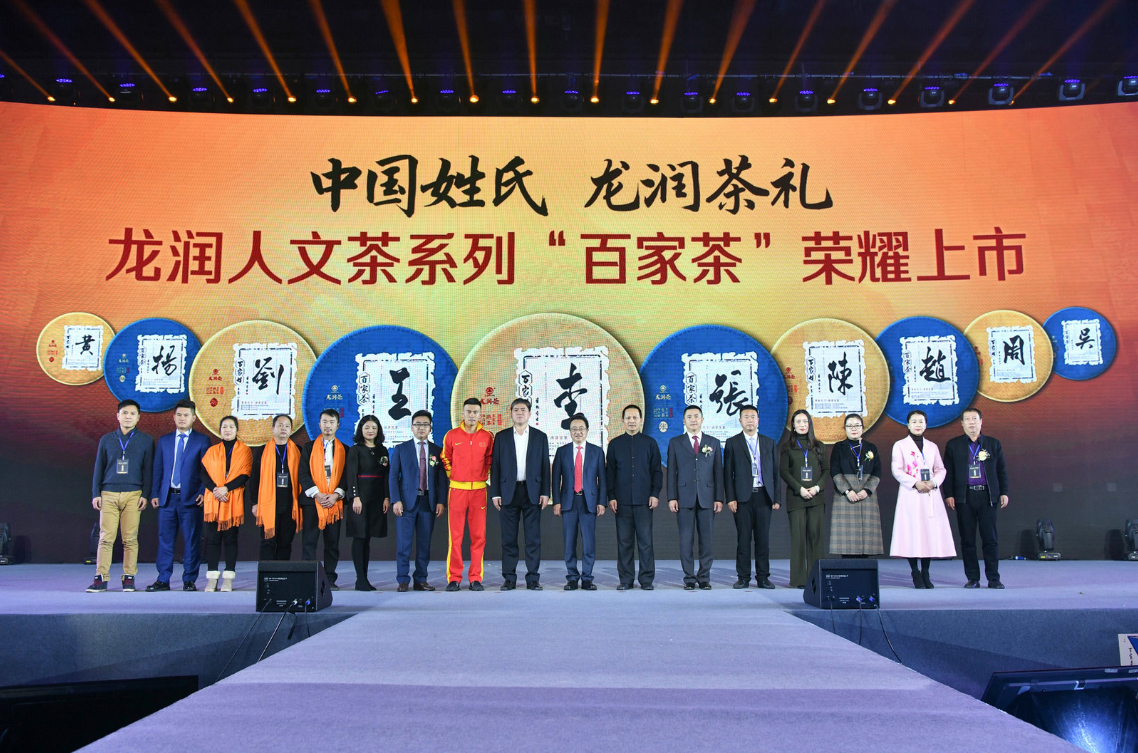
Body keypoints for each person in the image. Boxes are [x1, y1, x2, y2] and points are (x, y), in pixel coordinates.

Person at [88, 399, 154, 592]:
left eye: (132, 414)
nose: (128, 417)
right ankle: (100, 578)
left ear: (138, 417)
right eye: (124, 413)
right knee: (105, 538)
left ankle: (129, 577)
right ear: (117, 416)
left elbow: (148, 470)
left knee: (130, 539)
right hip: (108, 493)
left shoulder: (146, 440)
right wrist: (96, 493)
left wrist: (145, 494)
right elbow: (99, 468)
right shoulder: (107, 439)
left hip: (134, 494)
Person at [148, 399, 212, 592]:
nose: (182, 418)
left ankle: (189, 580)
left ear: (194, 418)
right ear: (174, 417)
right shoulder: (164, 440)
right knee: (165, 540)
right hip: (167, 498)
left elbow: (207, 470)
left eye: (186, 415)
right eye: (179, 415)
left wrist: (203, 492)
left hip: (191, 499)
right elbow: (158, 469)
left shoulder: (202, 440)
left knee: (192, 540)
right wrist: (155, 493)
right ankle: (163, 579)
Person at [943, 408, 1009, 589]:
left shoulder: (993, 444)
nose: (971, 422)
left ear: (981, 421)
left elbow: (1001, 470)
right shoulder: (954, 445)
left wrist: (1003, 492)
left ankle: (994, 578)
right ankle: (973, 578)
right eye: (967, 419)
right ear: (962, 424)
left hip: (987, 496)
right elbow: (948, 473)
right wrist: (949, 494)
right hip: (965, 497)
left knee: (990, 539)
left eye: (974, 419)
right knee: (967, 540)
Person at [889, 409, 956, 588]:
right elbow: (896, 470)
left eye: (921, 422)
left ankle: (926, 571)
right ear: (908, 424)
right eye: (914, 422)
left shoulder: (932, 446)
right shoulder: (900, 445)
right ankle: (915, 572)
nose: (918, 425)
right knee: (911, 533)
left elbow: (941, 469)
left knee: (928, 533)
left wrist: (934, 482)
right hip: (911, 494)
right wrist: (915, 483)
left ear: (926, 424)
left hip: (929, 494)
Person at [490, 398, 551, 591]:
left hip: (532, 492)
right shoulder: (501, 437)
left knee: (533, 539)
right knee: (508, 539)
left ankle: (533, 578)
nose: (519, 413)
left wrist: (545, 492)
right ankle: (509, 578)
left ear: (530, 413)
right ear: (511, 413)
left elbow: (545, 467)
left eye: (523, 410)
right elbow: (495, 467)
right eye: (516, 410)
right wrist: (495, 493)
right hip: (508, 492)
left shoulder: (540, 437)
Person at [389, 410, 448, 592]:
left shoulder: (437, 451)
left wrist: (441, 501)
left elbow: (441, 479)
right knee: (404, 544)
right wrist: (396, 500)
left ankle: (421, 579)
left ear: (430, 428)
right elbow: (393, 476)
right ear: (412, 427)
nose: (421, 428)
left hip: (428, 502)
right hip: (406, 503)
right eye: (417, 424)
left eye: (425, 424)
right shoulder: (401, 449)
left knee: (424, 544)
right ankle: (403, 580)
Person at [724, 405, 782, 589]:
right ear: (740, 420)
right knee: (743, 540)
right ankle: (743, 577)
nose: (750, 420)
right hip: (742, 498)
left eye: (753, 417)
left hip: (764, 496)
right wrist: (730, 498)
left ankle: (763, 577)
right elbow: (728, 474)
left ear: (758, 420)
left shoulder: (769, 442)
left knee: (763, 540)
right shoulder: (733, 443)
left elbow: (775, 472)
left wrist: (776, 497)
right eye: (746, 417)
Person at [605, 404, 662, 590]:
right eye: (628, 418)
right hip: (621, 502)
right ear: (623, 421)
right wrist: (611, 496)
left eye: (634, 418)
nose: (631, 421)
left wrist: (655, 494)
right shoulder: (615, 445)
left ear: (641, 420)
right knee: (624, 543)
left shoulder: (650, 443)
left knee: (646, 542)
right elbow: (610, 473)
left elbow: (656, 471)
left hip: (644, 501)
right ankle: (626, 580)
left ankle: (646, 580)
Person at [667, 405, 724, 591]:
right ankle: (689, 578)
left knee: (707, 541)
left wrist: (719, 498)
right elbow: (671, 473)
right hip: (684, 498)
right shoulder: (675, 442)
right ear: (684, 421)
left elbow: (718, 472)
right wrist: (672, 497)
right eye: (689, 417)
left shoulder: (713, 442)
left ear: (702, 420)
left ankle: (704, 577)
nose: (693, 419)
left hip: (707, 498)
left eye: (696, 416)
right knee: (686, 541)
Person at [441, 398, 494, 591]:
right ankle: (454, 578)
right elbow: (445, 458)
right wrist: (454, 476)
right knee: (455, 537)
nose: (472, 415)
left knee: (478, 537)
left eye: (475, 412)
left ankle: (475, 578)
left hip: (479, 491)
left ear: (480, 415)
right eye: (469, 412)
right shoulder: (451, 435)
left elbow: (489, 460)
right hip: (457, 490)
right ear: (462, 413)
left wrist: (482, 476)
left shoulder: (487, 437)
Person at [552, 413, 607, 590]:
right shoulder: (562, 452)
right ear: (569, 431)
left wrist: (602, 502)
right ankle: (572, 578)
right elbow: (555, 479)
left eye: (581, 428)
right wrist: (556, 502)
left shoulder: (597, 452)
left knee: (589, 542)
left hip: (588, 502)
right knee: (569, 542)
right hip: (568, 502)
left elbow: (602, 479)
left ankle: (588, 578)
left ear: (587, 431)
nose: (578, 432)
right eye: (574, 429)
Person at [201, 416, 252, 592]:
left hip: (232, 499)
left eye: (231, 427)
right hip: (214, 499)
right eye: (224, 427)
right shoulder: (212, 451)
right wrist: (215, 489)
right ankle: (212, 578)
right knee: (213, 540)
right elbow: (203, 472)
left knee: (230, 540)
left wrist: (226, 488)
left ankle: (228, 578)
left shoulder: (244, 450)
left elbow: (245, 474)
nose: (228, 430)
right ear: (219, 430)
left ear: (237, 430)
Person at [298, 409, 348, 589]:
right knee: (309, 542)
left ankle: (329, 580)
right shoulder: (308, 447)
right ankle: (308, 579)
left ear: (337, 425)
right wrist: (317, 494)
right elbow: (302, 473)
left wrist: (335, 495)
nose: (328, 425)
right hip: (313, 501)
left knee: (332, 543)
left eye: (331, 422)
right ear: (319, 424)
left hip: (334, 502)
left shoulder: (345, 449)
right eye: (325, 422)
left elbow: (347, 476)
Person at [779, 409, 829, 589]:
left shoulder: (819, 445)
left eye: (805, 421)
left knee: (816, 538)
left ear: (810, 424)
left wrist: (816, 488)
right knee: (798, 539)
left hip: (816, 498)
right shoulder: (787, 447)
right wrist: (799, 489)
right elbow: (784, 471)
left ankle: (816, 577)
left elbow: (826, 471)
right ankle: (799, 580)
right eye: (798, 422)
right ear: (793, 425)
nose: (802, 425)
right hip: (796, 498)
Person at [343, 415, 391, 591]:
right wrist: (355, 497)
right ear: (361, 430)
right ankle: (360, 579)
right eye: (367, 427)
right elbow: (351, 475)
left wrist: (386, 497)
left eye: (374, 428)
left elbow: (386, 475)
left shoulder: (382, 450)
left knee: (368, 538)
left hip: (376, 498)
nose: (370, 431)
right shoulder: (355, 450)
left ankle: (364, 578)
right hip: (360, 499)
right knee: (359, 537)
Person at [828, 413, 884, 559]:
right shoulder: (839, 447)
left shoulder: (871, 447)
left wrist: (867, 490)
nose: (854, 428)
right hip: (846, 497)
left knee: (866, 542)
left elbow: (877, 471)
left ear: (863, 428)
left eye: (857, 425)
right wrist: (847, 491)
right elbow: (835, 471)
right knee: (846, 542)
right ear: (845, 428)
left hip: (866, 496)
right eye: (850, 426)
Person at [249, 414, 301, 561]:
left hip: (290, 503)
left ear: (291, 430)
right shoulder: (263, 450)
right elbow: (255, 478)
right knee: (268, 541)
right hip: (268, 503)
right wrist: (254, 503)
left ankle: (282, 574)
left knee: (285, 542)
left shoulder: (298, 450)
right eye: (280, 425)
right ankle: (267, 574)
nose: (283, 428)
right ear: (273, 428)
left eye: (287, 426)